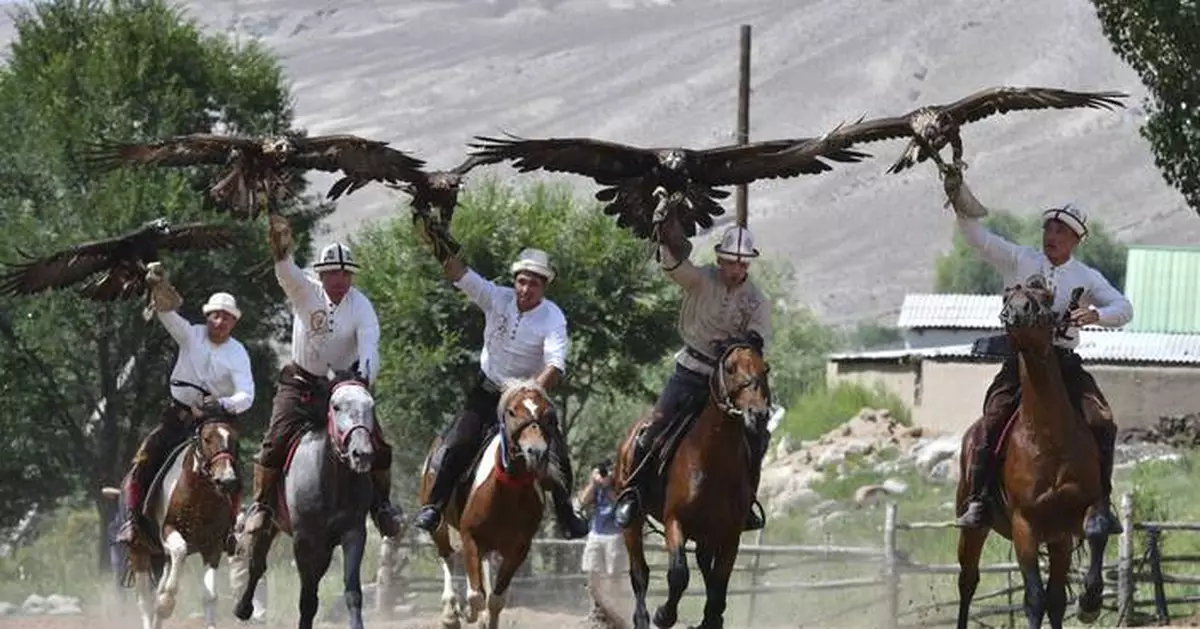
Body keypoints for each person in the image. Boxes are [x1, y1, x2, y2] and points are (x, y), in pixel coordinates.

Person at [941, 166, 1133, 538]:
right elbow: (976, 237)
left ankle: (1101, 505)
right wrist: (958, 200)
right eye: (1048, 227)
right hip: (1021, 362)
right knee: (991, 422)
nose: (1051, 235)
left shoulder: (1087, 277)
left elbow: (1125, 309)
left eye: (1061, 230)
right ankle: (980, 499)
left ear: (1076, 239)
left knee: (1103, 420)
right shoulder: (1019, 259)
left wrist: (1097, 314)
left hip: (1063, 363)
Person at [409, 218, 589, 539]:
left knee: (558, 455)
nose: (525, 289)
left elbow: (555, 365)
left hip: (527, 402)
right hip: (487, 392)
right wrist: (441, 249)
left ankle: (567, 516)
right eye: (521, 281)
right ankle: (434, 507)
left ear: (544, 287)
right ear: (514, 281)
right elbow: (460, 275)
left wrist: (530, 394)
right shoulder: (497, 297)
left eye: (534, 284)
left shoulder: (553, 317)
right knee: (458, 442)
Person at [240, 214, 403, 538]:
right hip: (300, 383)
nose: (339, 279)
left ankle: (382, 506)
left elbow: (370, 347)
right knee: (273, 444)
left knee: (379, 446)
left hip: (345, 388)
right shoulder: (305, 292)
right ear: (321, 275)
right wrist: (281, 250)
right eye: (332, 273)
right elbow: (286, 273)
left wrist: (364, 380)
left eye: (345, 273)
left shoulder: (362, 306)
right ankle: (261, 505)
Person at [612, 211, 773, 532]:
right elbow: (674, 268)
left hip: (735, 382)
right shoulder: (701, 279)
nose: (736, 269)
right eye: (731, 261)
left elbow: (758, 338)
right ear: (720, 259)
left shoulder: (757, 300)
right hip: (691, 371)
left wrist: (741, 349)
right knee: (654, 428)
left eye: (742, 264)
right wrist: (663, 235)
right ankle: (635, 491)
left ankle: (746, 500)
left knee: (758, 433)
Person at [116, 263, 255, 550]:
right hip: (178, 416)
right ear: (208, 317)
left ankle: (229, 529)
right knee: (143, 460)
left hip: (215, 420)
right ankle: (131, 523)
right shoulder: (191, 334)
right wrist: (158, 285)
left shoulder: (238, 352)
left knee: (233, 471)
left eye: (227, 318)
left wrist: (223, 403)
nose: (220, 322)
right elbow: (167, 315)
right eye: (216, 316)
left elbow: (247, 394)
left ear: (234, 322)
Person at [577, 458, 626, 576]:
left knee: (613, 575)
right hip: (595, 534)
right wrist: (593, 483)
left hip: (614, 535)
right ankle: (596, 594)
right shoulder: (595, 486)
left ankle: (612, 594)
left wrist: (607, 486)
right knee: (592, 573)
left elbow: (619, 502)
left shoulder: (618, 484)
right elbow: (582, 502)